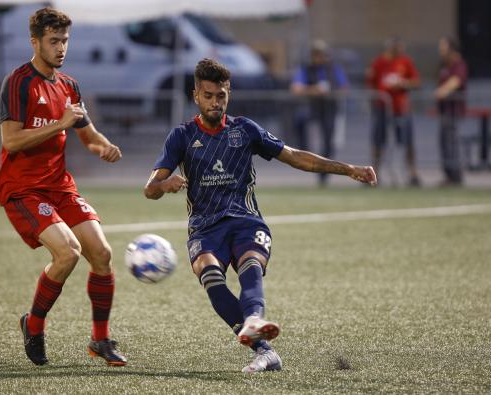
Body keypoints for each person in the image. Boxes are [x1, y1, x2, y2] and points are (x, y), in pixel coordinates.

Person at [144, 58, 376, 373]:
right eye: (209, 95)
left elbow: (295, 157)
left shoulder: (245, 129)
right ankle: (265, 351)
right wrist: (165, 183)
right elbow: (150, 188)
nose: (216, 102)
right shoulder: (181, 136)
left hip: (246, 221)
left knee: (250, 263)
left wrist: (348, 169)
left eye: (221, 95)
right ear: (196, 95)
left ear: (229, 94)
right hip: (204, 227)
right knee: (210, 275)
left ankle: (254, 318)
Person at [0, 7, 126, 367]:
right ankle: (34, 325)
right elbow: (11, 141)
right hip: (23, 188)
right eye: (53, 41)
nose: (61, 48)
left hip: (59, 186)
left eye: (65, 40)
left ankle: (100, 341)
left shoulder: (69, 86)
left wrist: (103, 146)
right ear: (35, 41)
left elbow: (86, 132)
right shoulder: (18, 82)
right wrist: (59, 124)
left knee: (101, 253)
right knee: (67, 252)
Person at [290, 39, 349, 186]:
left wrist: (330, 92)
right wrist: (313, 90)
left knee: (329, 143)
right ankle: (306, 157)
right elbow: (295, 88)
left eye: (321, 54)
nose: (319, 57)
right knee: (301, 126)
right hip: (312, 109)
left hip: (330, 110)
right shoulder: (306, 68)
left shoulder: (333, 69)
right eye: (316, 54)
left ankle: (324, 174)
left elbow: (344, 88)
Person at [367, 37, 421, 186]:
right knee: (378, 141)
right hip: (382, 108)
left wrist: (403, 83)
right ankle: (374, 173)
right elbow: (370, 84)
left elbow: (416, 81)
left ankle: (413, 173)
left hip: (401, 108)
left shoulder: (405, 62)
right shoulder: (379, 62)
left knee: (408, 141)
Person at [435, 37, 468, 186]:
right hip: (445, 111)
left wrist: (443, 91)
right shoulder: (445, 65)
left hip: (453, 111)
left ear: (451, 49)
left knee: (451, 143)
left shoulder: (458, 65)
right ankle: (449, 176)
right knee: (444, 143)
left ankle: (455, 177)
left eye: (443, 47)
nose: (441, 50)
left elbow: (456, 81)